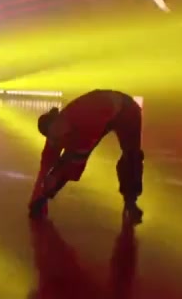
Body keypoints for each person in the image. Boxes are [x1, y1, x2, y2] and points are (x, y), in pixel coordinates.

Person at [29, 89, 144, 223]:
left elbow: (76, 159)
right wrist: (38, 196)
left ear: (60, 120)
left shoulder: (86, 120)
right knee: (68, 161)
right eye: (54, 137)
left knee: (131, 156)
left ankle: (131, 201)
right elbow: (45, 166)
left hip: (127, 111)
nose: (58, 138)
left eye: (58, 134)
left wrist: (48, 188)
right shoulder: (56, 133)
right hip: (103, 108)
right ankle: (43, 199)